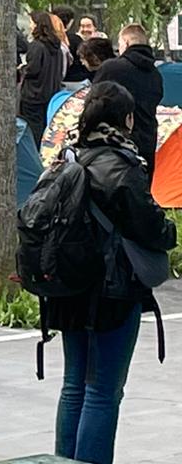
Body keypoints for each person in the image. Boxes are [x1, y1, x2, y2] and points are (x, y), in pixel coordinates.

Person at [46, 81, 176, 464]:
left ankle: (62, 461)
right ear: (127, 119)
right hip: (112, 291)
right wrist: (169, 230)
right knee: (103, 390)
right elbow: (151, 227)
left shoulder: (67, 157)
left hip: (68, 285)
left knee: (74, 386)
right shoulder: (123, 165)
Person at [100, 24, 162, 168]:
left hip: (116, 143)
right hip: (147, 139)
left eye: (120, 45)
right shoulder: (155, 74)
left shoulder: (112, 68)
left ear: (126, 43)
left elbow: (96, 104)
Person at [20, 10, 66, 147]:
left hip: (34, 95)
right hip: (51, 93)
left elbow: (33, 69)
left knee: (34, 130)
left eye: (31, 23)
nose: (29, 26)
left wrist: (22, 69)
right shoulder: (57, 47)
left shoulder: (36, 46)